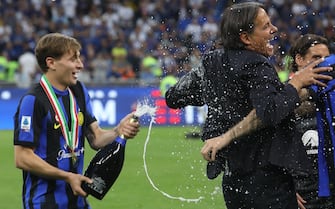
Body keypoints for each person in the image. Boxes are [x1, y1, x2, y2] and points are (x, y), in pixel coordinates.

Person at [165, 2, 333, 209]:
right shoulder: (257, 64)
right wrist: (297, 82)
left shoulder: (213, 61)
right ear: (245, 37)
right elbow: (271, 112)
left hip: (234, 181)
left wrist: (219, 92)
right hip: (267, 181)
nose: (274, 29)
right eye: (265, 26)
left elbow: (173, 97)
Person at [13, 33, 140, 209]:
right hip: (44, 202)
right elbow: (22, 157)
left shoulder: (78, 91)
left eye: (79, 58)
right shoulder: (33, 100)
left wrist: (118, 130)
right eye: (73, 59)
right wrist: (67, 176)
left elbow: (96, 138)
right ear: (51, 63)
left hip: (77, 200)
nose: (80, 65)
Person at [286, 34, 335, 209]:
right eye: (316, 58)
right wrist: (284, 187)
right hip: (302, 192)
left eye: (326, 58)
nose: (323, 63)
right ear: (299, 59)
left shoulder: (331, 94)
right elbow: (269, 145)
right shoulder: (283, 97)